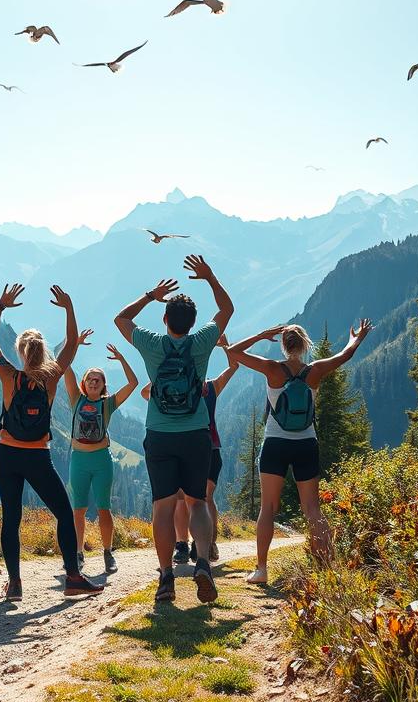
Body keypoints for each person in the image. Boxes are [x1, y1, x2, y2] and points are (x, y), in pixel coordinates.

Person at [115, 255, 233, 603]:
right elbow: (226, 310)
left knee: (163, 508)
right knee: (197, 503)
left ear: (165, 319)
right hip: (196, 433)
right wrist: (210, 277)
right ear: (194, 322)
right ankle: (201, 564)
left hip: (160, 434)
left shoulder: (153, 344)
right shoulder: (202, 342)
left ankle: (166, 578)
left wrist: (151, 295)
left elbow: (121, 318)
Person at [0, 283, 105, 601]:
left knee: (11, 519)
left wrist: (0, 306)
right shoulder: (50, 377)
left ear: (22, 353)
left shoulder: (9, 377)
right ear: (43, 352)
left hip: (6, 454)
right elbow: (73, 346)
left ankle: (15, 583)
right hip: (38, 457)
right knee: (65, 514)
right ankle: (73, 577)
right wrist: (69, 307)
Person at [226, 321, 373, 584]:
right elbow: (345, 355)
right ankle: (327, 570)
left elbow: (233, 352)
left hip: (275, 443)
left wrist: (262, 335)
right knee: (312, 508)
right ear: (305, 345)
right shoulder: (315, 371)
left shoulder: (272, 369)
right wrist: (356, 338)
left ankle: (261, 570)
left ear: (283, 345)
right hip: (306, 443)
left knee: (268, 508)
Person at [61, 329, 137, 575]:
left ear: (104, 385)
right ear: (84, 383)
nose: (94, 381)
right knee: (78, 510)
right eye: (90, 378)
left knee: (104, 509)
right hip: (79, 460)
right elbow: (63, 365)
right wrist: (75, 344)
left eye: (98, 379)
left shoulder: (108, 404)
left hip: (102, 460)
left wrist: (122, 359)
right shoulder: (75, 398)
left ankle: (108, 552)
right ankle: (78, 553)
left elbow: (133, 383)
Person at [162, 334, 240, 566]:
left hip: (205, 448)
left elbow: (234, 366)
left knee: (197, 497)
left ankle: (198, 545)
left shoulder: (211, 386)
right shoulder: (207, 386)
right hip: (204, 446)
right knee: (192, 497)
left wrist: (226, 344)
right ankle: (189, 544)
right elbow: (146, 392)